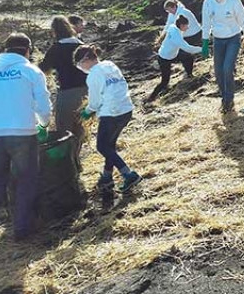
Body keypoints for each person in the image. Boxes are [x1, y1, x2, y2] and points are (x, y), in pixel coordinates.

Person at [0, 33, 52, 240]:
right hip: (22, 133)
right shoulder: (31, 70)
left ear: (5, 48)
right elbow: (43, 106)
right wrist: (43, 124)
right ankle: (22, 228)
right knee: (26, 179)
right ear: (28, 50)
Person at [74, 44, 141, 194]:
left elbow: (95, 102)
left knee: (102, 147)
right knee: (110, 146)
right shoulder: (110, 65)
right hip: (125, 109)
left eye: (79, 65)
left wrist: (87, 112)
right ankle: (107, 176)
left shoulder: (93, 75)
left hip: (111, 113)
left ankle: (128, 174)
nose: (81, 69)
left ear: (85, 60)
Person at [39, 16, 88, 160]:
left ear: (54, 31)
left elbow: (44, 69)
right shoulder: (80, 44)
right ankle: (76, 157)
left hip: (67, 92)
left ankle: (67, 162)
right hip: (85, 92)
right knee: (79, 127)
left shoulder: (56, 48)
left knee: (64, 128)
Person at [201, 0, 244, 113]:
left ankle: (229, 99)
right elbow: (206, 22)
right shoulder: (208, 2)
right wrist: (205, 42)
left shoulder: (234, 1)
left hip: (233, 38)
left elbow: (243, 20)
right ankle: (224, 95)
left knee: (227, 68)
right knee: (218, 71)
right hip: (218, 39)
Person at [149, 16, 202, 101]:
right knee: (165, 81)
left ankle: (189, 74)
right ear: (181, 25)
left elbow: (169, 26)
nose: (187, 27)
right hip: (164, 58)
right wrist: (202, 49)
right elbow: (188, 48)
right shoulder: (176, 36)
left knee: (188, 57)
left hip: (173, 54)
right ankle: (151, 98)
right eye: (186, 26)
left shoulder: (173, 26)